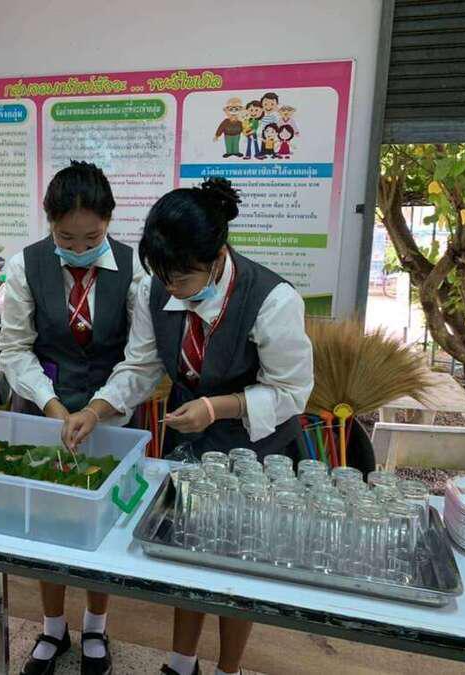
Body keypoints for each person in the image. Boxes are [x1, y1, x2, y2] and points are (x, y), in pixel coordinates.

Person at [62, 178, 313, 675]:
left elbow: (291, 393)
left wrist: (217, 407)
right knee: (187, 553)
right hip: (190, 440)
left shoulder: (272, 300)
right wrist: (96, 409)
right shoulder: (153, 288)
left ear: (217, 257)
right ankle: (181, 663)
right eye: (163, 277)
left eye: (181, 279)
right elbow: (140, 367)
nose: (171, 289)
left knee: (239, 568)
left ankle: (228, 668)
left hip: (255, 448)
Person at [0, 160, 144, 675]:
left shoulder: (134, 268)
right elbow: (15, 349)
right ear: (49, 221)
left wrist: (97, 408)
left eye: (92, 238)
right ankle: (53, 627)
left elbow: (141, 357)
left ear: (109, 222)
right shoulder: (26, 266)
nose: (79, 248)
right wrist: (53, 405)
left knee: (103, 522)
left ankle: (96, 627)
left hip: (111, 411)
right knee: (47, 520)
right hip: (46, 408)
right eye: (67, 237)